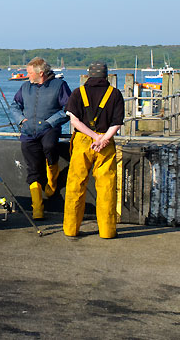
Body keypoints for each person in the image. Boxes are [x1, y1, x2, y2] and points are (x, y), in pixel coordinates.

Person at [63, 61, 124, 239]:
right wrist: (103, 138)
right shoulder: (115, 94)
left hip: (83, 142)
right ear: (106, 75)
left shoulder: (77, 93)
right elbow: (117, 122)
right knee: (107, 187)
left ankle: (71, 229)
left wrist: (94, 136)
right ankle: (107, 231)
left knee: (76, 186)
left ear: (89, 74)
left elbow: (74, 121)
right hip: (105, 143)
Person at [10, 57, 72, 219]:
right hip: (28, 131)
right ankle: (37, 207)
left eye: (29, 72)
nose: (27, 75)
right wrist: (21, 121)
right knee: (33, 168)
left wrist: (51, 122)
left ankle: (53, 178)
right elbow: (15, 105)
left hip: (49, 129)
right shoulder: (25, 87)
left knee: (50, 148)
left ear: (41, 73)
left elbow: (68, 108)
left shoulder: (60, 86)